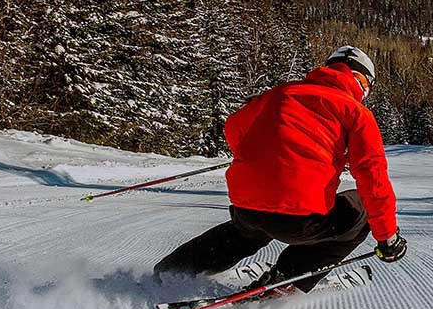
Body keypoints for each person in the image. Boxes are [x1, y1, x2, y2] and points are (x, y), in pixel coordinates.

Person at [154, 46, 407, 296]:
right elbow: (372, 178)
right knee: (359, 210)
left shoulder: (279, 94)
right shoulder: (356, 112)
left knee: (248, 232)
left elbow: (233, 128)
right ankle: (285, 279)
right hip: (301, 220)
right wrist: (387, 238)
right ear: (362, 82)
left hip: (246, 207)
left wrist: (268, 151)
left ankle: (172, 270)